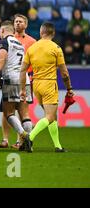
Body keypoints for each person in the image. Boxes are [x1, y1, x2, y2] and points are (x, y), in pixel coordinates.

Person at [20, 22, 74, 153]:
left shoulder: (32, 48)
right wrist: (69, 88)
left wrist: (22, 89)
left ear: (41, 32)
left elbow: (23, 70)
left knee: (52, 116)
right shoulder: (56, 48)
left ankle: (58, 146)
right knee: (49, 116)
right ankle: (30, 137)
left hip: (36, 85)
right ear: (53, 33)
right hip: (49, 84)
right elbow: (64, 72)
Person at [0, 21, 32, 150]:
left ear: (3, 31)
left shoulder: (4, 42)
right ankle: (28, 140)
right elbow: (5, 61)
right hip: (25, 79)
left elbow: (2, 59)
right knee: (25, 114)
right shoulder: (20, 44)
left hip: (11, 79)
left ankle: (23, 134)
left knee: (8, 113)